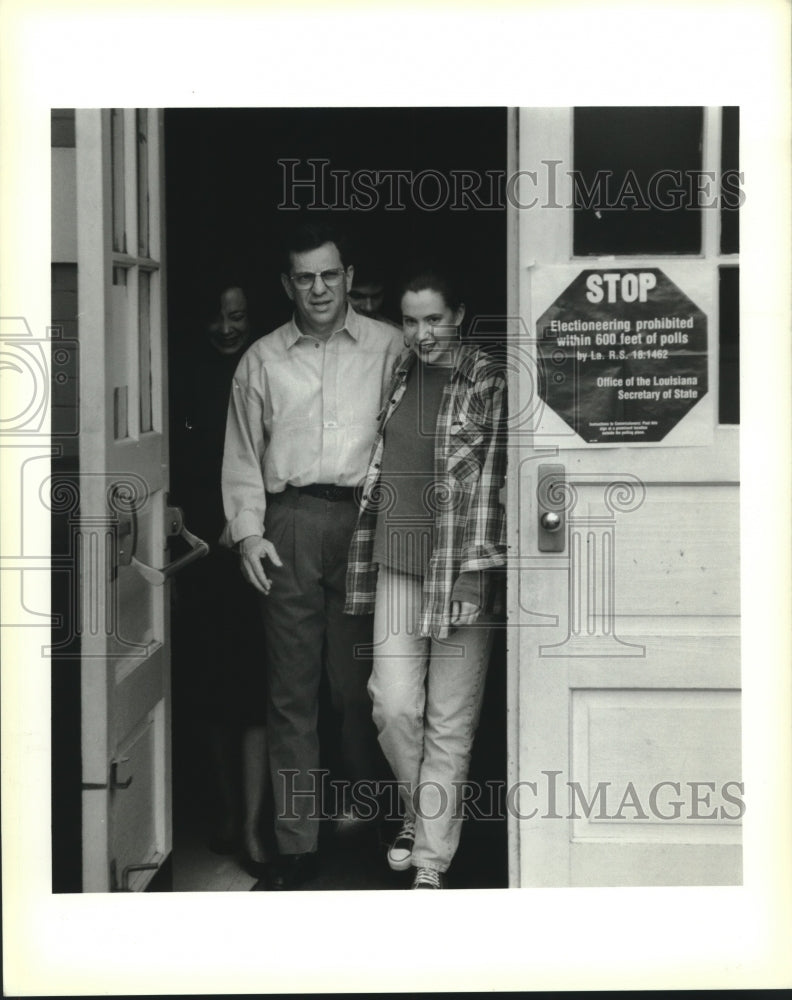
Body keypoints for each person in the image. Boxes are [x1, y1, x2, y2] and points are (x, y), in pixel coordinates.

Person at [221, 221, 403, 890]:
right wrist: (248, 532)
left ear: (349, 276)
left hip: (367, 524)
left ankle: (385, 822)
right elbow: (242, 454)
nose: (319, 288)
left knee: (364, 692)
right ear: (287, 284)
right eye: (305, 277)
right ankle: (297, 843)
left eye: (330, 275)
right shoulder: (262, 360)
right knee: (291, 694)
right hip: (289, 525)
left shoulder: (389, 348)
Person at [344, 265, 507, 889]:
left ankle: (431, 863)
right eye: (410, 321)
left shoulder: (487, 378)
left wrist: (476, 574)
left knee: (448, 720)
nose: (421, 333)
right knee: (392, 707)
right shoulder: (402, 371)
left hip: (459, 571)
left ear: (458, 315)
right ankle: (421, 812)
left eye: (433, 318)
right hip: (397, 561)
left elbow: (493, 478)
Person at [172, 285, 272, 876]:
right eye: (216, 314)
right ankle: (229, 814)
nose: (227, 327)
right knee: (211, 690)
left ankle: (258, 826)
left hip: (257, 545)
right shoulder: (179, 374)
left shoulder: (267, 365)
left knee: (258, 690)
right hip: (199, 551)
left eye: (237, 314)